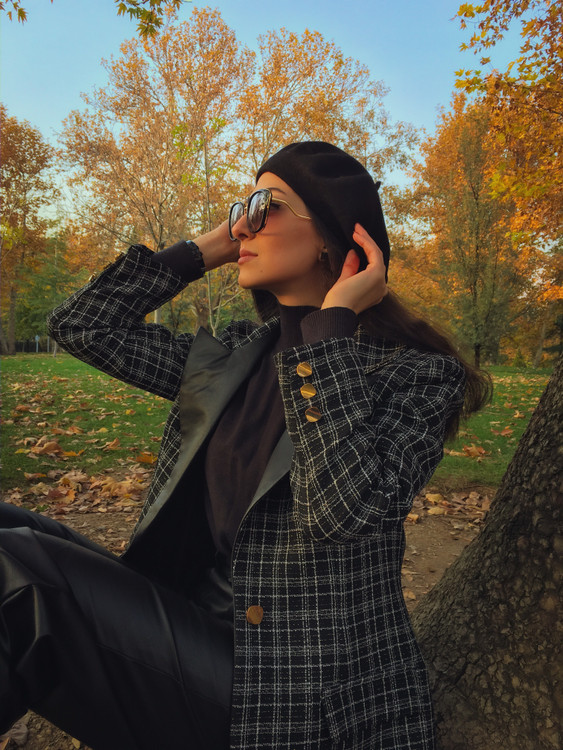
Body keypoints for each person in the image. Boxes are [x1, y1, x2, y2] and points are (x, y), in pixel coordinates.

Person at [0, 142, 490, 750]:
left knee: (17, 569)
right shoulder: (233, 356)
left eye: (266, 207)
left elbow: (344, 512)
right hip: (189, 623)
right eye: (242, 208)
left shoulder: (415, 374)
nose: (243, 224)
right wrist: (207, 248)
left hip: (297, 687)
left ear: (332, 239)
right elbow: (82, 325)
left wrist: (330, 330)